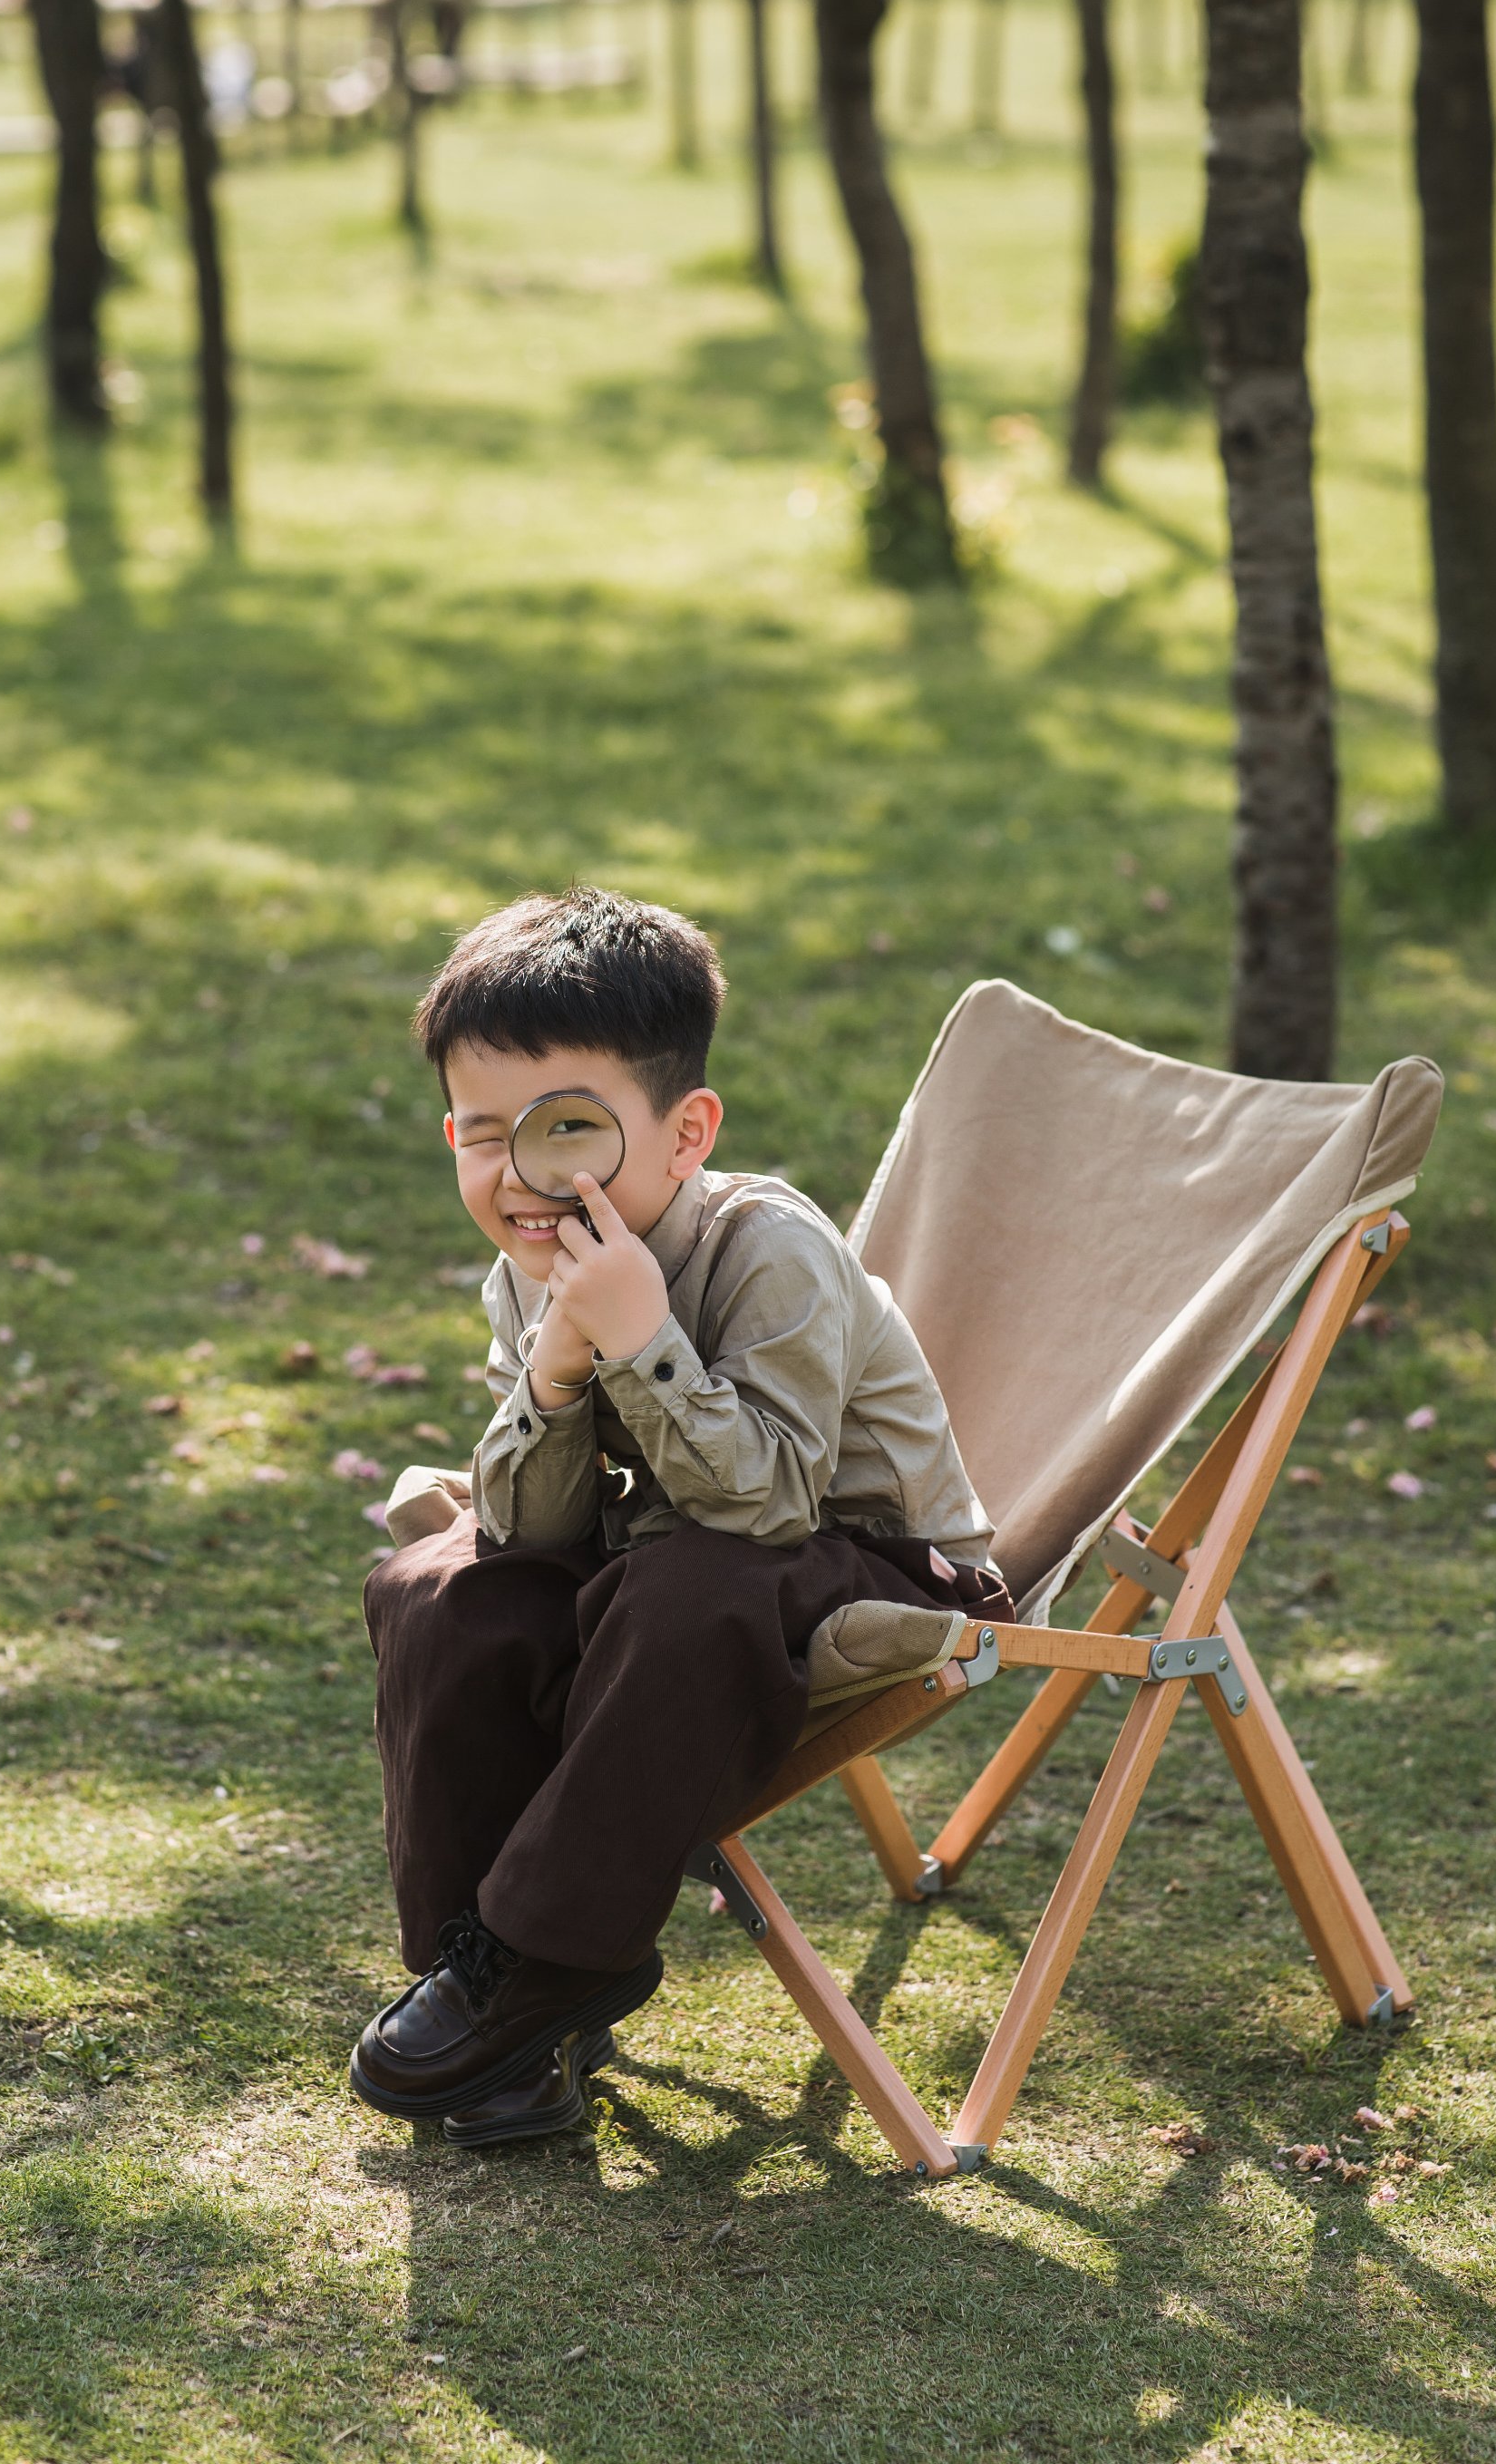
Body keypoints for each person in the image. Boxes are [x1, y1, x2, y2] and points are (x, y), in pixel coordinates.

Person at [352, 887, 1008, 2147]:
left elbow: (764, 1509)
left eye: (568, 1129)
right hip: (653, 1564)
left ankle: (550, 1957)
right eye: (482, 1135)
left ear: (685, 1131)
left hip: (864, 1562)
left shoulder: (773, 1251)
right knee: (443, 1585)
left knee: (685, 1585)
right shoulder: (528, 1262)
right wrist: (552, 1369)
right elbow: (533, 1538)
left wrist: (641, 1336)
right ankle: (486, 1987)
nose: (520, 1174)